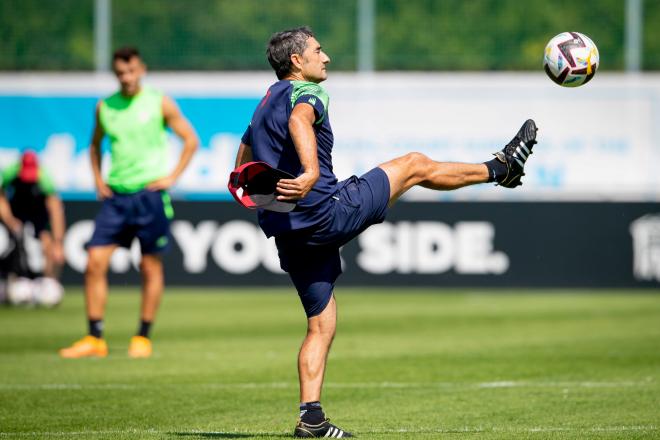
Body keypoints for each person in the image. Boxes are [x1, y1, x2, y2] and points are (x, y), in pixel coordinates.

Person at [233, 26, 538, 438]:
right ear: (296, 62)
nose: (327, 58)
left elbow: (243, 162)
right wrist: (309, 172)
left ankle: (311, 418)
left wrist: (247, 187)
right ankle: (502, 169)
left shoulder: (263, 102)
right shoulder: (306, 93)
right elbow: (301, 120)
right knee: (413, 164)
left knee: (320, 325)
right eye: (318, 51)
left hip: (288, 230)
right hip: (325, 213)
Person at [59, 47, 199, 359]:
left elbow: (191, 139)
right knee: (94, 261)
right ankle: (95, 337)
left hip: (150, 196)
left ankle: (142, 336)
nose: (126, 77)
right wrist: (97, 178)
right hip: (116, 198)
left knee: (149, 265)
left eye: (131, 71)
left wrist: (172, 177)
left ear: (141, 69)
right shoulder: (105, 106)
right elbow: (94, 145)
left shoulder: (158, 101)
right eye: (121, 72)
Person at [1, 151, 66, 281]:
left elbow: (55, 210)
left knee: (47, 241)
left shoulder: (45, 177)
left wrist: (58, 243)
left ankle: (49, 281)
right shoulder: (9, 173)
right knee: (11, 243)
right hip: (17, 208)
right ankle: (10, 279)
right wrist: (9, 220)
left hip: (38, 210)